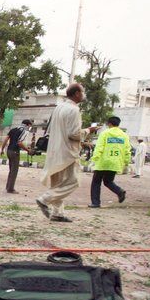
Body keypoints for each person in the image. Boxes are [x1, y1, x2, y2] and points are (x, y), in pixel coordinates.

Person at [36, 83, 85, 222]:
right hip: (68, 152)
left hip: (55, 150)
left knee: (57, 183)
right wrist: (88, 132)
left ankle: (58, 213)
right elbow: (74, 134)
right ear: (76, 93)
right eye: (82, 92)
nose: (83, 95)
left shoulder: (59, 107)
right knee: (74, 181)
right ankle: (44, 199)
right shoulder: (74, 110)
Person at [88, 116, 130, 208]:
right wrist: (126, 162)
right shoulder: (124, 136)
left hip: (103, 162)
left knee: (96, 182)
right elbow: (127, 151)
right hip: (115, 163)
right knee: (108, 181)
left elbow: (99, 147)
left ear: (109, 124)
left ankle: (95, 202)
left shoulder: (105, 133)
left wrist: (94, 159)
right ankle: (119, 191)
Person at [0, 119, 33, 194]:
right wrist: (28, 150)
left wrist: (2, 149)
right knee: (14, 171)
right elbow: (19, 143)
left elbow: (6, 139)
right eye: (30, 125)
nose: (30, 127)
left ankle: (8, 186)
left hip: (9, 151)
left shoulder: (13, 129)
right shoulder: (24, 131)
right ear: (27, 125)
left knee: (11, 170)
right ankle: (10, 189)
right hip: (15, 152)